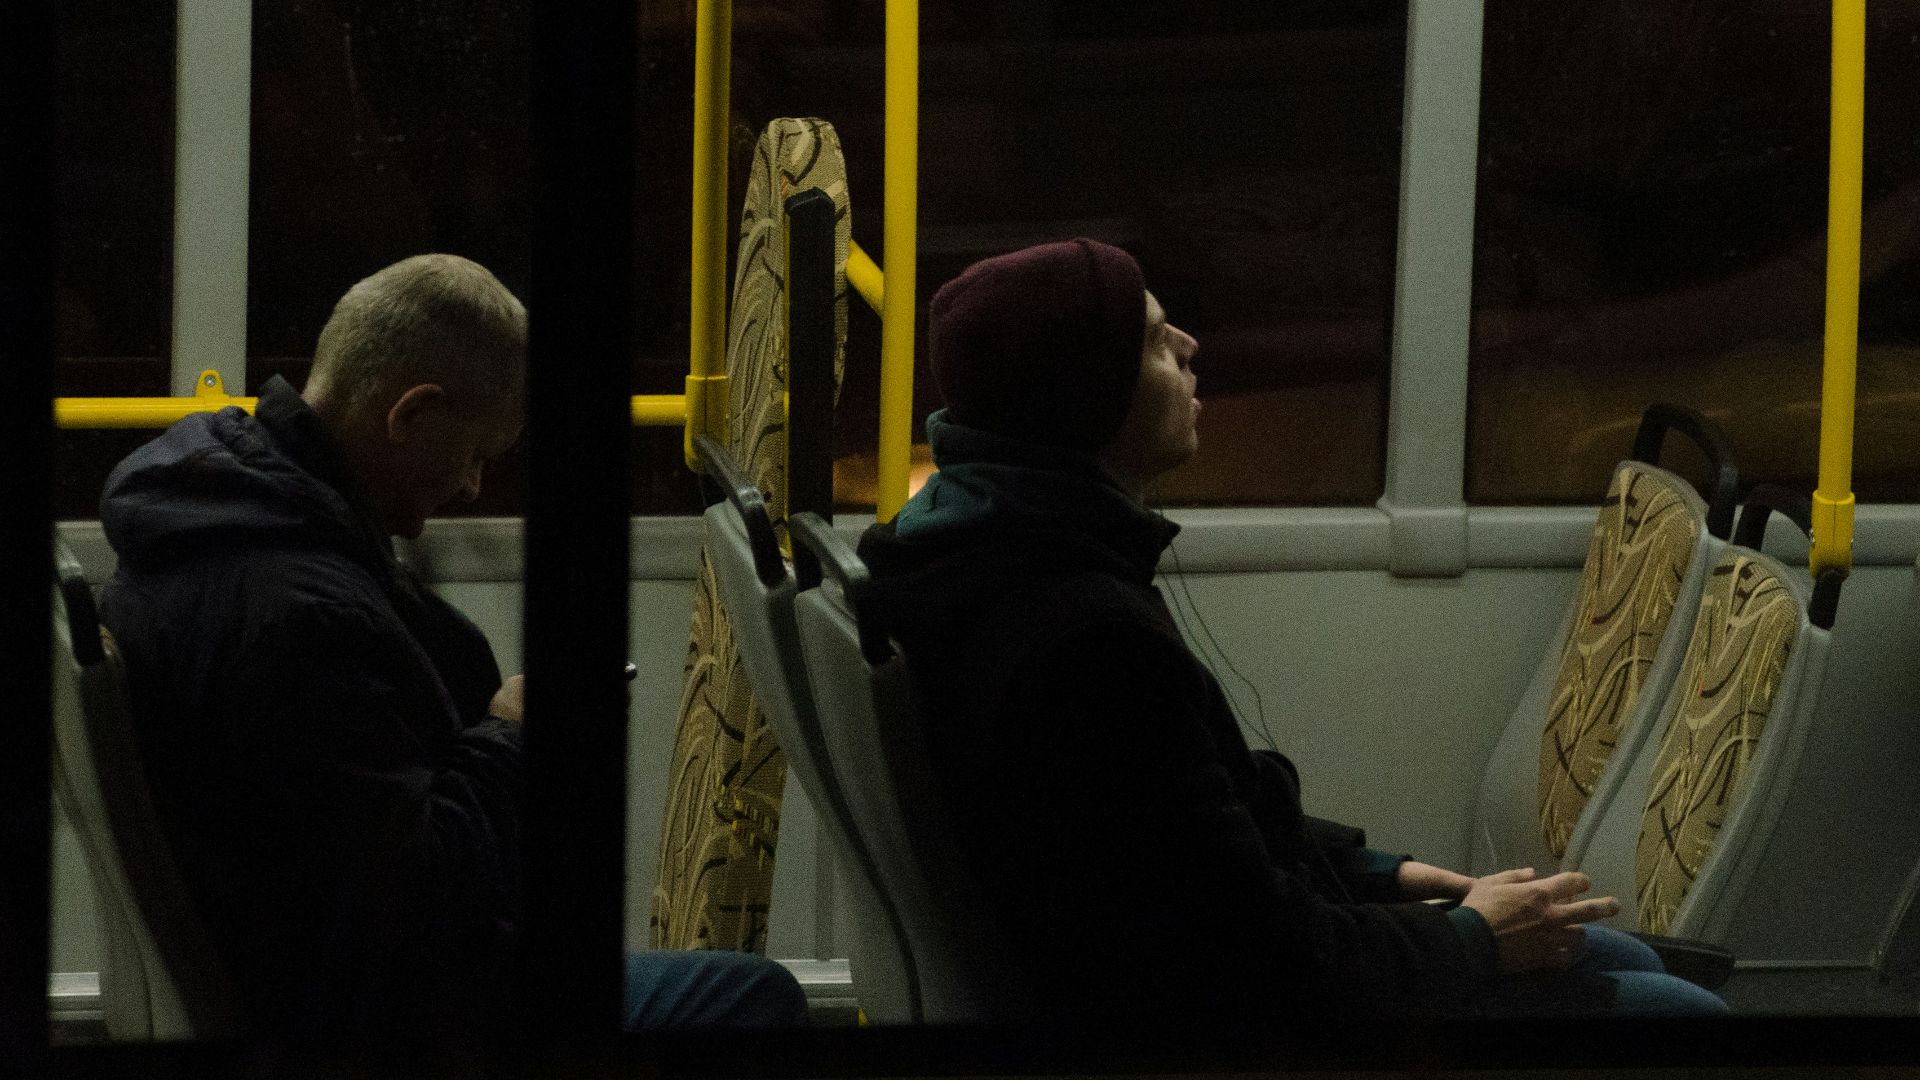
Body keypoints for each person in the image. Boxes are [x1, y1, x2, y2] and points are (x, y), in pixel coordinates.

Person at [854, 239, 1728, 1033]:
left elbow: (1196, 846)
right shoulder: (1083, 643)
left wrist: (1390, 876)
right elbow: (1264, 964)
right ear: (1086, 398)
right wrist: (1472, 940)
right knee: (1677, 1011)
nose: (1189, 346)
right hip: (1220, 1019)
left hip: (1218, 973)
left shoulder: (1004, 558)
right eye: (1154, 341)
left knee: (1622, 956)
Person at [98, 254, 804, 1061]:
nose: (472, 486)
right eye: (475, 454)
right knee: (752, 995)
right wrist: (507, 738)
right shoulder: (300, 616)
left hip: (285, 974)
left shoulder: (221, 527)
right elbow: (408, 905)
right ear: (413, 414)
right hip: (373, 1022)